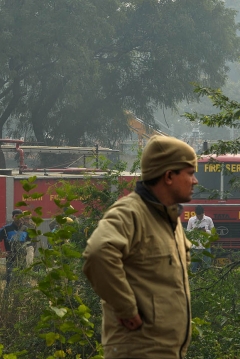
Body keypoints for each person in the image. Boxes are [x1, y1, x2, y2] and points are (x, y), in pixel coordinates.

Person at [82, 135, 197, 359]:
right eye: (190, 173)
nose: (195, 181)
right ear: (169, 176)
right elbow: (97, 253)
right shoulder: (130, 213)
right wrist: (126, 308)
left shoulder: (169, 219)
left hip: (165, 351)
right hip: (139, 350)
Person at [0, 209, 31, 286]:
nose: (18, 218)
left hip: (22, 259)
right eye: (16, 216)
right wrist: (1, 252)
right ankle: (6, 297)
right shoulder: (6, 229)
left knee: (22, 281)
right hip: (11, 259)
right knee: (10, 281)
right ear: (13, 217)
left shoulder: (26, 229)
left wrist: (27, 251)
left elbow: (30, 241)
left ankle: (19, 298)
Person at [187, 205, 214, 271]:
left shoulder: (209, 219)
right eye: (198, 215)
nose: (199, 217)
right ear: (195, 213)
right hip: (195, 247)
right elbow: (187, 232)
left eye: (200, 215)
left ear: (203, 212)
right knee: (193, 267)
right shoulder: (191, 220)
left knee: (207, 267)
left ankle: (207, 280)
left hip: (206, 246)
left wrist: (206, 231)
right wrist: (194, 230)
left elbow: (213, 233)